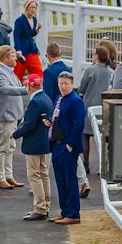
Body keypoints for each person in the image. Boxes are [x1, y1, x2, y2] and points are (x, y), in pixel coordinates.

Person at [13, 81, 56, 221]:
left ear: (30, 87)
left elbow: (28, 125)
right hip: (44, 142)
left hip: (34, 143)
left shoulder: (35, 102)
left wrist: (15, 134)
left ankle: (40, 207)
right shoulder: (46, 98)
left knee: (34, 175)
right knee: (44, 174)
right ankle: (46, 205)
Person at [50, 71, 88, 225]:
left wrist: (70, 145)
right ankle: (65, 211)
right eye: (61, 84)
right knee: (60, 180)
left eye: (66, 84)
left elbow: (79, 124)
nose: (63, 86)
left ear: (72, 84)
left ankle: (73, 213)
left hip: (67, 146)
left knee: (69, 180)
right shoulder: (60, 99)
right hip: (57, 144)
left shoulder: (75, 100)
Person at [0, 45, 27, 191]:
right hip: (4, 115)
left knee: (10, 147)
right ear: (5, 57)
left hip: (11, 115)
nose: (16, 58)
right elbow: (6, 89)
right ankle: (0, 178)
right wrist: (26, 89)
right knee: (1, 147)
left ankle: (8, 175)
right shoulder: (0, 73)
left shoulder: (9, 72)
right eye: (13, 56)